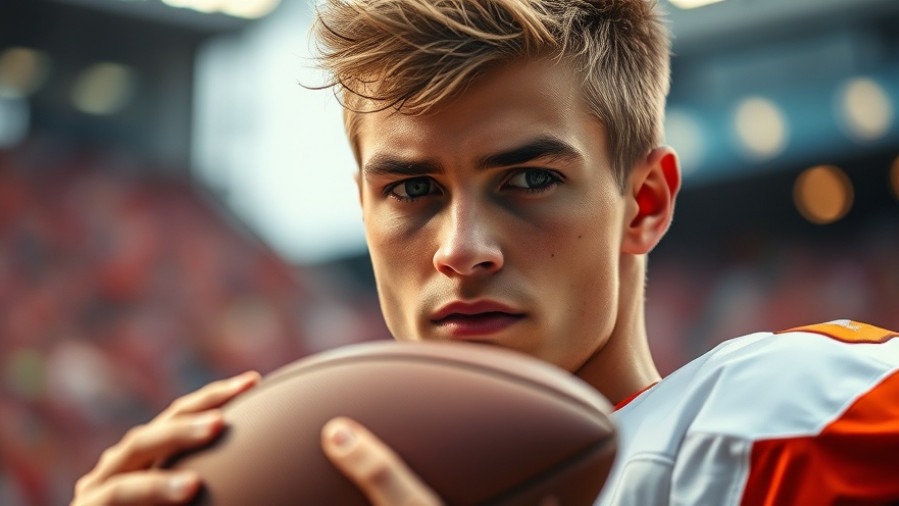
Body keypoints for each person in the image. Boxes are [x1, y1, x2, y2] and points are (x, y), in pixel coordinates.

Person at [72, 0, 899, 504]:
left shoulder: (782, 420)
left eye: (529, 180)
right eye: (411, 190)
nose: (462, 250)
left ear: (643, 202)